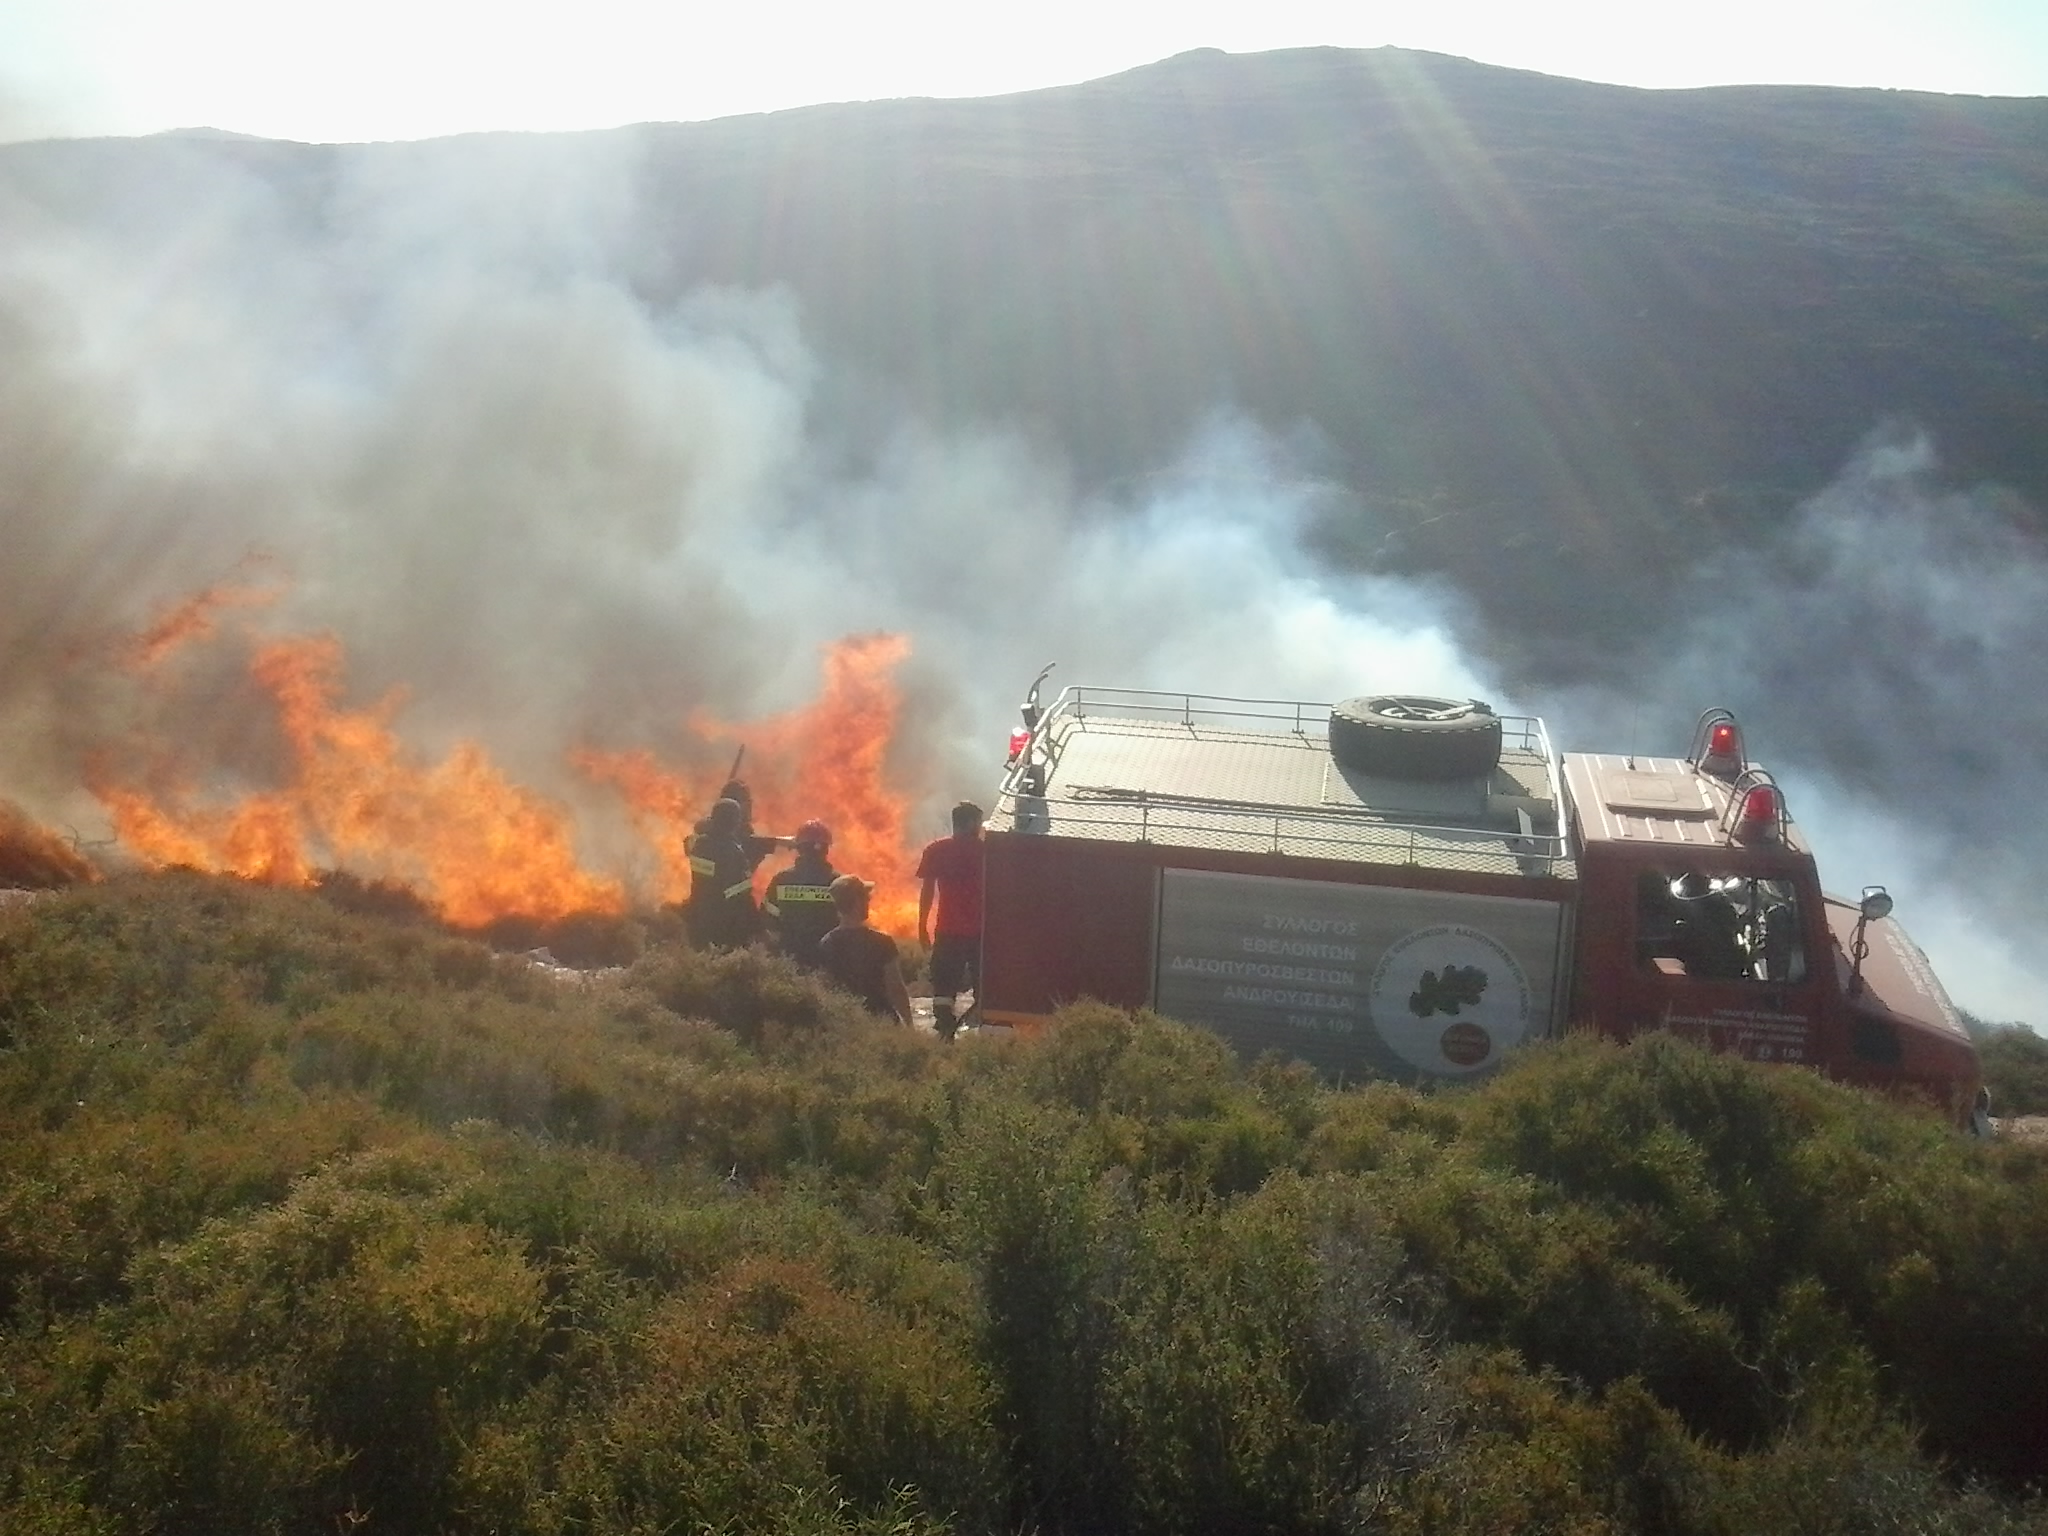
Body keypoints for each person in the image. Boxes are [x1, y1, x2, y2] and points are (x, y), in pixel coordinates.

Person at [916, 800, 985, 1040]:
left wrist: (922, 925)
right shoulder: (987, 851)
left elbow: (927, 891)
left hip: (947, 929)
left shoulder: (936, 850)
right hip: (981, 931)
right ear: (971, 822)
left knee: (943, 985)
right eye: (978, 822)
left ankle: (945, 1031)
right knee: (984, 985)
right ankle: (982, 1030)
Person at [817, 874, 911, 1026]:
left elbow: (825, 988)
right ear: (857, 902)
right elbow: (896, 988)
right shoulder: (882, 942)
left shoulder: (827, 943)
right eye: (866, 898)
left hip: (845, 1022)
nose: (869, 901)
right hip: (881, 1020)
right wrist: (909, 1024)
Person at [685, 798, 761, 949]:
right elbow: (741, 892)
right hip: (723, 919)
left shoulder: (698, 845)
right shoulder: (733, 852)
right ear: (734, 822)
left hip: (699, 911)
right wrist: (757, 923)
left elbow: (692, 840)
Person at [763, 820, 838, 969]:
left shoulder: (781, 880)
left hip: (789, 958)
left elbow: (768, 919)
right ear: (826, 850)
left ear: (799, 848)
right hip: (827, 959)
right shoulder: (838, 883)